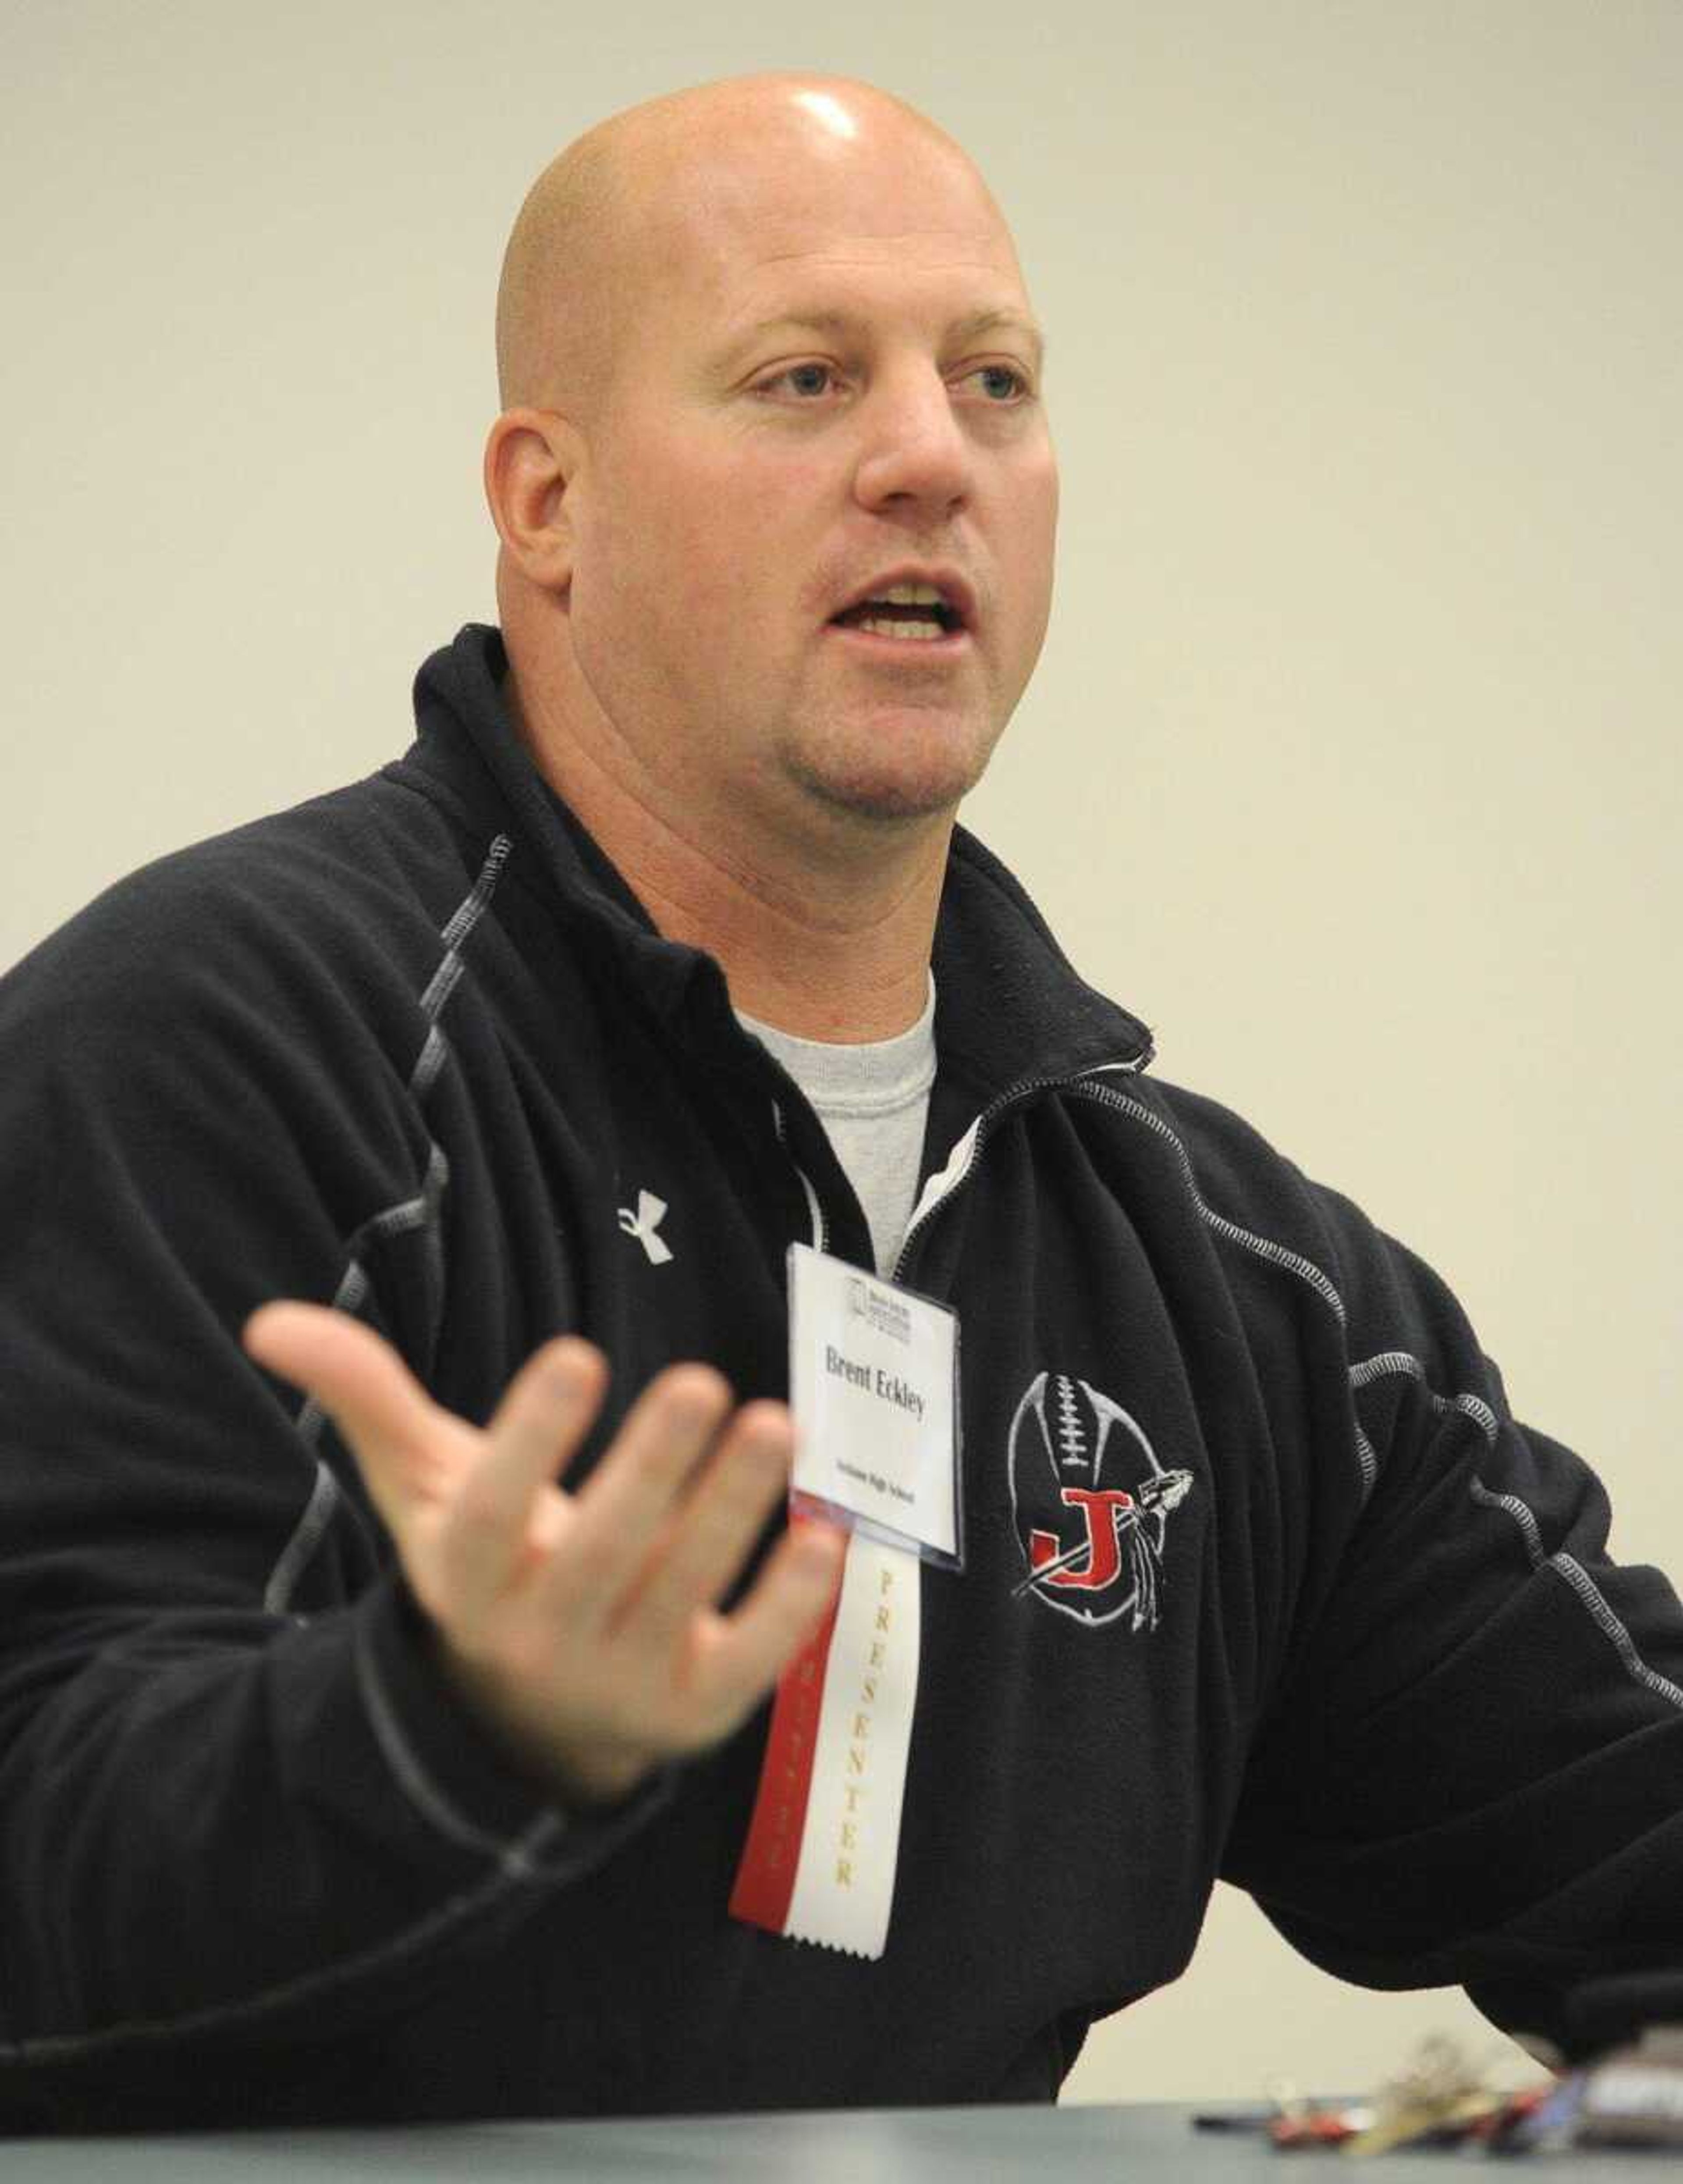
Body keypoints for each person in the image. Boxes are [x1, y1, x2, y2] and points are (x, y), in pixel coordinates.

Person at [1, 69, 1680, 2136]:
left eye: (996, 382)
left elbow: (1621, 1828)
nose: (927, 459)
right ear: (546, 500)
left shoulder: (1230, 1295)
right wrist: (447, 1733)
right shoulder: (226, 1047)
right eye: (804, 379)